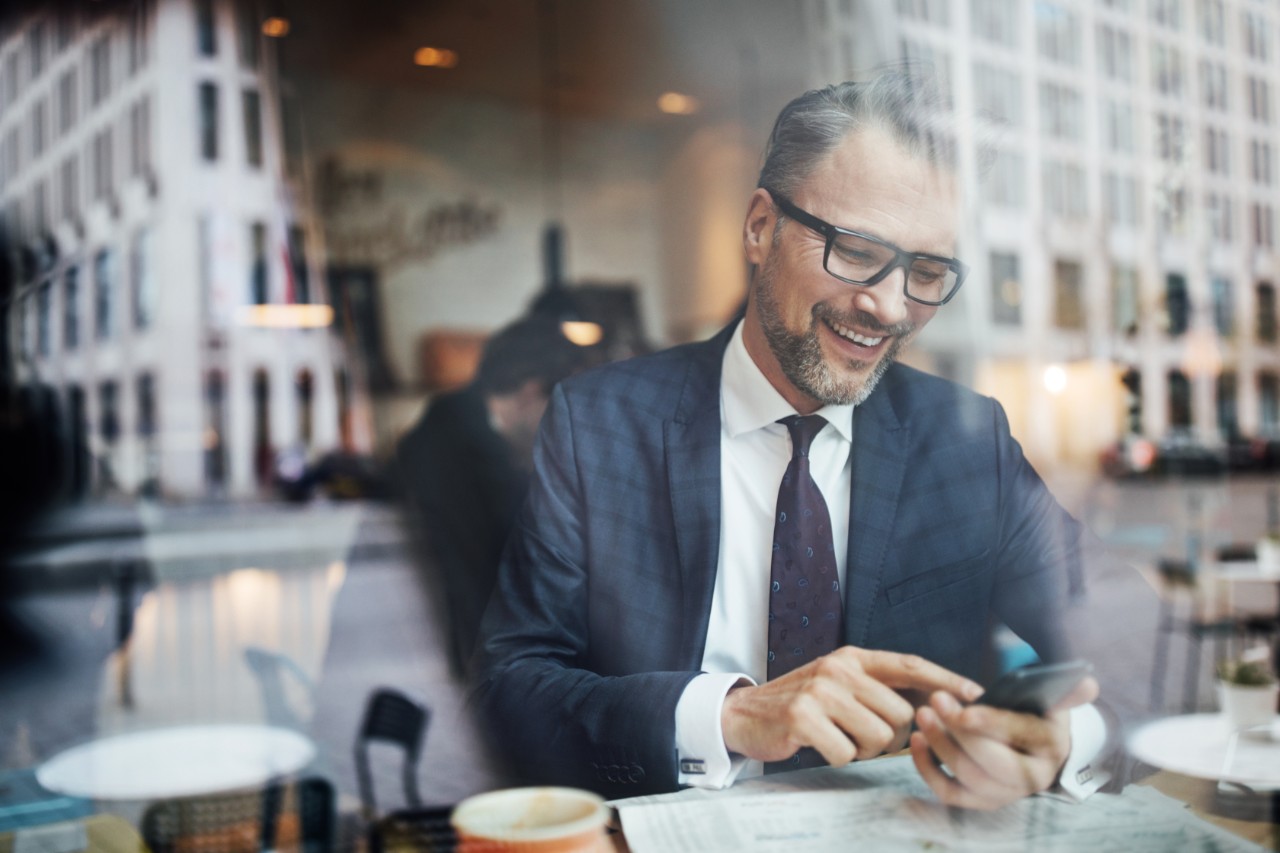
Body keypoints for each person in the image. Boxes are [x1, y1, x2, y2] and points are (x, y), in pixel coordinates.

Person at [472, 71, 1105, 807]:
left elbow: (1104, 643)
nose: (890, 306)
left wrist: (1062, 739)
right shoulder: (598, 424)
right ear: (759, 227)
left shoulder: (968, 440)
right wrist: (728, 715)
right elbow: (508, 686)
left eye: (927, 270)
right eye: (859, 250)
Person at [398, 315, 589, 679]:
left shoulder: (448, 426)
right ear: (532, 393)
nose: (566, 433)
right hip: (460, 669)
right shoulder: (471, 457)